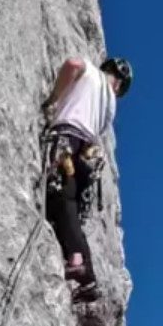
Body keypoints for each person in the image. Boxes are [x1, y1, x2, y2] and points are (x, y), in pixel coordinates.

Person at [41, 55, 133, 303]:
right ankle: (86, 273)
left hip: (67, 136)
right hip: (85, 156)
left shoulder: (91, 72)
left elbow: (73, 64)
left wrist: (53, 99)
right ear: (119, 86)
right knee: (69, 204)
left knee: (61, 197)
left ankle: (78, 261)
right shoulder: (110, 106)